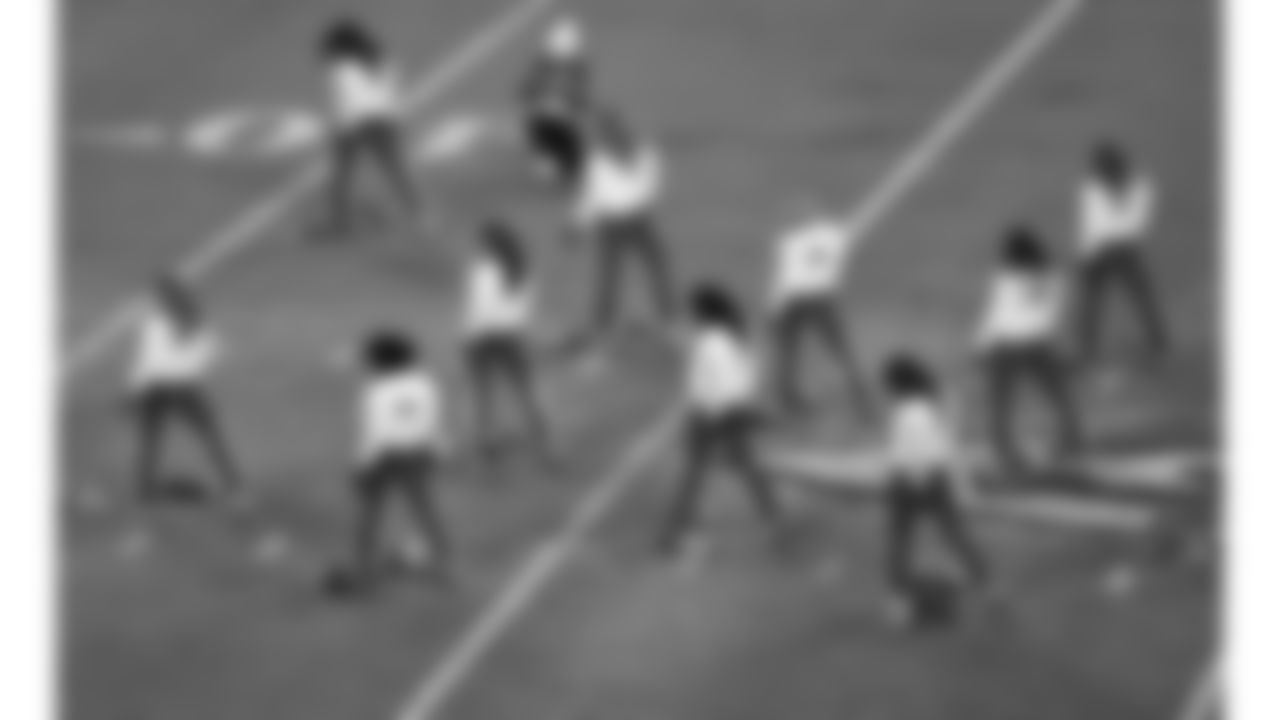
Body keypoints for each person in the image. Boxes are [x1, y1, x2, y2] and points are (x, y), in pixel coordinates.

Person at [656, 282, 789, 560]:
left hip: (711, 417)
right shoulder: (733, 337)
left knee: (694, 474)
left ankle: (676, 533)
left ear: (702, 313)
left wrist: (719, 415)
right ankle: (773, 514)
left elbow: (721, 386)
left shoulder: (710, 343)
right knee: (745, 464)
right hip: (727, 414)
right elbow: (744, 378)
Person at [326, 329, 453, 597]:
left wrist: (360, 467)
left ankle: (363, 575)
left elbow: (374, 434)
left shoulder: (376, 391)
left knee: (369, 515)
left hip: (386, 458)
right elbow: (432, 422)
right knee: (423, 507)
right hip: (420, 453)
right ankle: (442, 563)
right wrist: (439, 450)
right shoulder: (425, 383)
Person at [879, 353, 990, 627]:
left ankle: (899, 596)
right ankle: (980, 576)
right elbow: (946, 446)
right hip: (933, 477)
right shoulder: (930, 405)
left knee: (900, 539)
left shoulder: (907, 412)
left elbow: (909, 449)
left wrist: (911, 476)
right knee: (951, 529)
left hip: (906, 479)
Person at [976, 226, 1083, 475]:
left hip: (1006, 344)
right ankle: (1072, 439)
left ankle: (1006, 452)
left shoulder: (1005, 279)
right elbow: (1055, 313)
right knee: (1056, 393)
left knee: (1000, 402)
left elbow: (995, 316)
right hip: (1039, 342)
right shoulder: (1054, 278)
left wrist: (980, 347)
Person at [126, 274, 243, 499]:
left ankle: (144, 488)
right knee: (209, 435)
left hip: (156, 388)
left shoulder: (154, 323)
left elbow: (146, 362)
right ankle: (233, 483)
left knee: (151, 437)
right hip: (182, 387)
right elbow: (209, 348)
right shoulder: (190, 318)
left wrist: (133, 391)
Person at [569, 111, 677, 347]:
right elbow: (591, 197)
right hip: (615, 223)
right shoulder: (599, 162)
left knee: (656, 266)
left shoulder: (644, 156)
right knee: (611, 274)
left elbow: (649, 186)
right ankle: (603, 323)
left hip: (636, 219)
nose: (610, 139)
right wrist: (578, 224)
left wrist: (581, 222)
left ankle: (668, 317)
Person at [461, 221, 558, 469]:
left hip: (481, 338)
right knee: (527, 393)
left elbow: (477, 310)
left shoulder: (482, 272)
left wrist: (466, 336)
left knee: (484, 394)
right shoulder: (524, 271)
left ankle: (487, 444)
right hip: (512, 337)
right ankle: (548, 447)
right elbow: (526, 309)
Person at [767, 204, 876, 421]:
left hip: (792, 300)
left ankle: (788, 399)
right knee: (840, 348)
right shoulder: (833, 235)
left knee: (787, 351)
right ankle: (861, 394)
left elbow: (783, 279)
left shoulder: (788, 242)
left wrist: (773, 309)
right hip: (821, 298)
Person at [318, 17, 420, 238]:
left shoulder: (339, 68)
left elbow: (345, 101)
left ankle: (341, 224)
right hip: (385, 120)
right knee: (395, 170)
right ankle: (419, 214)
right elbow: (392, 87)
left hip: (355, 123)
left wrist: (338, 132)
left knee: (341, 176)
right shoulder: (385, 59)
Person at [1074, 141, 1170, 363]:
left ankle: (1086, 349)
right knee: (1140, 296)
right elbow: (1136, 222)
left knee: (1092, 302)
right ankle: (1158, 340)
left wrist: (1084, 255)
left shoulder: (1094, 188)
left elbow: (1092, 226)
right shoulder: (1140, 185)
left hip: (1106, 250)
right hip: (1123, 248)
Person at [520, 15, 594, 190]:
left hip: (542, 122)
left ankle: (548, 161)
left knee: (560, 151)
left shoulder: (543, 66)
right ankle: (553, 164)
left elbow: (527, 90)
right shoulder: (576, 69)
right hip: (555, 123)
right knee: (572, 157)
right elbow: (579, 98)